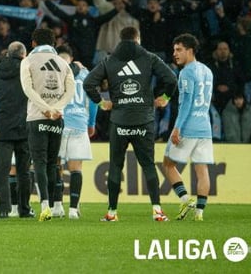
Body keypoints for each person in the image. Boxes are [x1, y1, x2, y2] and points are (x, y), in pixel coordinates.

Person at [83, 26, 178, 222]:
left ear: (121, 39)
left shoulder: (109, 60)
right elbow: (171, 78)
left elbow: (88, 83)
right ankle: (157, 211)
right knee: (148, 166)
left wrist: (101, 102)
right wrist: (166, 98)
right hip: (144, 120)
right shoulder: (149, 58)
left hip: (119, 121)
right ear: (138, 39)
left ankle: (111, 213)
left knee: (115, 166)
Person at [20, 28, 75, 222]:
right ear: (53, 43)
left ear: (33, 43)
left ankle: (45, 206)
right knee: (53, 163)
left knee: (39, 163)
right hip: (57, 118)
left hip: (37, 117)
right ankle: (54, 204)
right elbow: (70, 90)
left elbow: (27, 89)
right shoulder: (63, 62)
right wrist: (56, 108)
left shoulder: (27, 61)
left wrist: (45, 108)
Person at [162, 34, 214, 222]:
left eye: (179, 50)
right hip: (205, 128)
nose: (174, 53)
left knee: (168, 164)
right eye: (174, 50)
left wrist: (177, 128)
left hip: (188, 127)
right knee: (202, 170)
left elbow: (186, 104)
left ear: (190, 50)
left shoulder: (186, 72)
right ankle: (199, 213)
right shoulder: (208, 71)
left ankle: (185, 200)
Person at [0, 41, 32, 219]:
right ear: (23, 54)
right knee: (24, 172)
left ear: (8, 54)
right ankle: (24, 209)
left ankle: (4, 209)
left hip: (2, 127)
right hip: (24, 126)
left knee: (2, 170)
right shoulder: (28, 70)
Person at [54, 45, 97, 220]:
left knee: (57, 165)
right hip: (79, 123)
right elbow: (93, 100)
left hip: (60, 123)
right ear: (71, 58)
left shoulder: (54, 73)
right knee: (76, 168)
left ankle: (57, 206)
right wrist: (91, 122)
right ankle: (73, 209)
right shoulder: (85, 74)